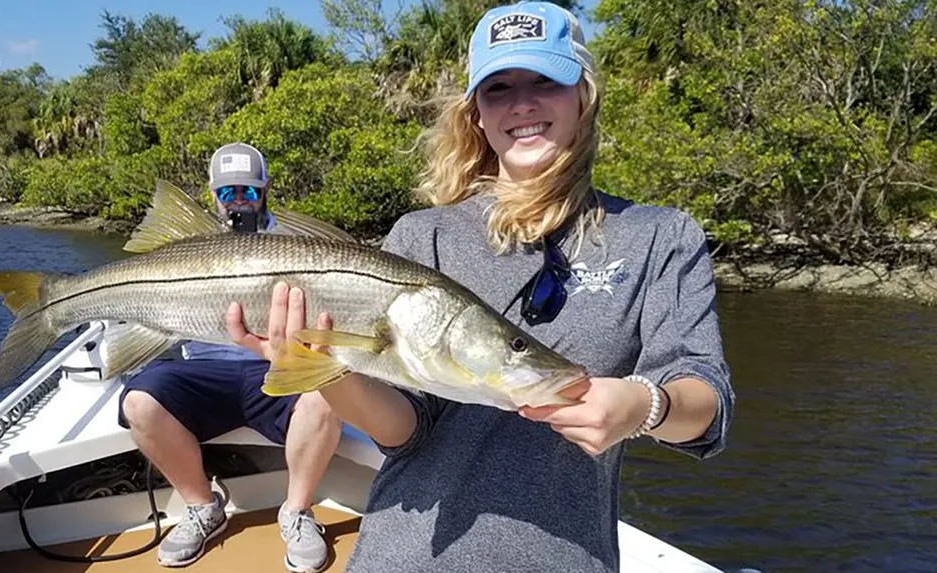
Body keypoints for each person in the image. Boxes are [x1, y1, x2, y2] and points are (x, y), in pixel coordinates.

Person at [227, 3, 736, 572]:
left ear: (583, 97)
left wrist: (645, 404)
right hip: (406, 554)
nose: (523, 103)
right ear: (476, 115)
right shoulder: (422, 236)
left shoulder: (660, 235)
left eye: (545, 80)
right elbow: (403, 429)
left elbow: (706, 405)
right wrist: (324, 367)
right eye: (498, 89)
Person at [118, 142, 341, 572]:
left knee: (330, 392)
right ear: (212, 195)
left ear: (266, 189)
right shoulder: (187, 241)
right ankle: (203, 507)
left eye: (249, 192)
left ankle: (297, 511)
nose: (239, 201)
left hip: (277, 365)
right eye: (228, 193)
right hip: (204, 370)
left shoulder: (304, 245)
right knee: (139, 401)